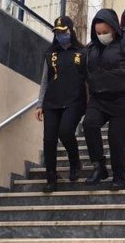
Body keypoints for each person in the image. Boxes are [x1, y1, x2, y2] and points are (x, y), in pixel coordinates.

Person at [83, 8, 125, 190]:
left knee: (116, 138)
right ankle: (99, 166)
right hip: (99, 98)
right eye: (98, 33)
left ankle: (119, 176)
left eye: (105, 32)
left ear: (114, 28)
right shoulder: (91, 48)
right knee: (89, 124)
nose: (102, 36)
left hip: (124, 98)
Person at [35, 16, 86, 193]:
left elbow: (88, 78)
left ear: (71, 31)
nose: (60, 35)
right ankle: (51, 177)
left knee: (65, 132)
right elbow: (45, 81)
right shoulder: (50, 54)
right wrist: (40, 104)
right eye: (57, 32)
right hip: (52, 102)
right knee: (49, 139)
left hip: (74, 101)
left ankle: (74, 162)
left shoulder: (82, 52)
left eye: (63, 32)